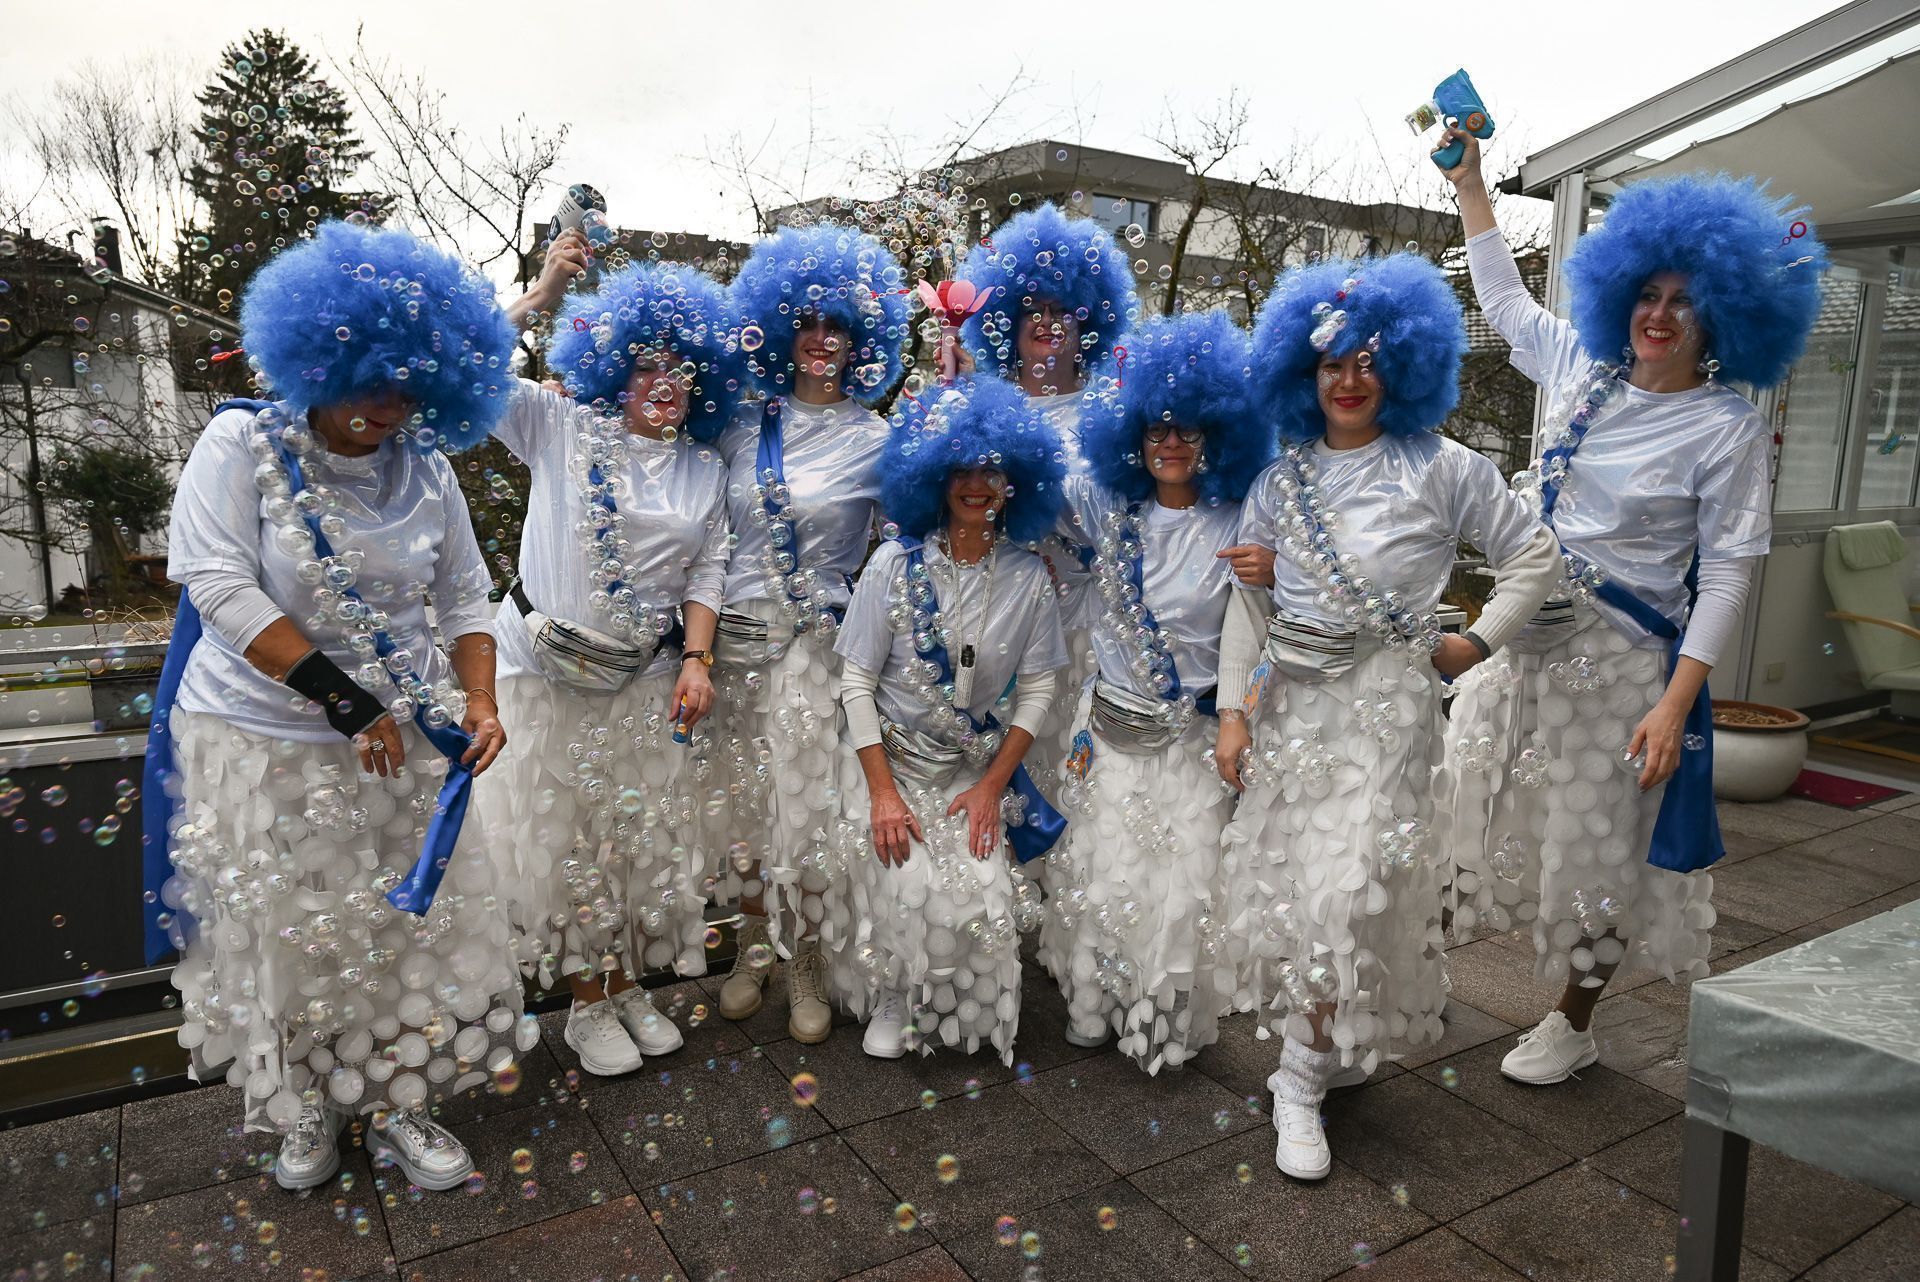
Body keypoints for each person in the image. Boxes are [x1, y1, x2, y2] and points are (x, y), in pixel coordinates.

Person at [1435, 133, 1827, 1085]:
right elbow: (1501, 303)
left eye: (1685, 300)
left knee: (1596, 844)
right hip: (1520, 643)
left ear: (1725, 314)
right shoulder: (1579, 365)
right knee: (1466, 805)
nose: (1661, 314)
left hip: (1617, 667)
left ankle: (1573, 1023)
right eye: (1648, 294)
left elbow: (1730, 574)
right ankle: (1426, 961)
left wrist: (1675, 701)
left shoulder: (1727, 426)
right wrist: (1472, 187)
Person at [142, 221, 524, 1193]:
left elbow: (466, 597)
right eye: (368, 380)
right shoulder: (241, 442)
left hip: (399, 744)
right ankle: (307, 1097)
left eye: (406, 386)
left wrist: (479, 698)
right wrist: (346, 702)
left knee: (404, 927)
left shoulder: (426, 467)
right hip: (267, 740)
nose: (384, 407)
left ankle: (401, 1096)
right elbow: (217, 586)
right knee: (291, 928)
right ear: (320, 354)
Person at [1213, 252, 1562, 1180]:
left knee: (1354, 882)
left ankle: (1298, 1074)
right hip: (1296, 716)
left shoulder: (1447, 468)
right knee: (1306, 889)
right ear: (1305, 373)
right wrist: (1232, 715)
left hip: (1387, 719)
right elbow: (1251, 620)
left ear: (1402, 365)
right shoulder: (1278, 482)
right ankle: (1315, 1052)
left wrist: (1476, 643)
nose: (1350, 378)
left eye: (1368, 359)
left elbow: (1534, 559)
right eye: (1331, 362)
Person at [475, 235, 744, 1076]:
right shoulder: (559, 425)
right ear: (612, 368)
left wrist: (697, 658)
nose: (663, 381)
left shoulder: (704, 467)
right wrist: (545, 288)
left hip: (644, 682)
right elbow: (463, 365)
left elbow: (709, 567)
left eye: (680, 367)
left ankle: (627, 983)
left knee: (635, 842)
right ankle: (585, 1002)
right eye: (645, 364)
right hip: (547, 678)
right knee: (568, 844)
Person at [1037, 309, 1273, 1071]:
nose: (1171, 443)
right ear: (1132, 436)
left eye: (1189, 428)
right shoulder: (1109, 504)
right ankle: (1094, 1000)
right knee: (1104, 867)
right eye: (1156, 428)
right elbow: (1028, 474)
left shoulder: (1242, 516)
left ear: (1217, 435)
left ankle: (1161, 1012)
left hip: (1197, 735)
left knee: (1182, 882)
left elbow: (1272, 610)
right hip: (1112, 728)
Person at [702, 223, 910, 1043]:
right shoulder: (736, 426)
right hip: (734, 649)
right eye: (809, 322)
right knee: (747, 807)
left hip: (817, 656)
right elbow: (703, 542)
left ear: (863, 341)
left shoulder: (878, 438)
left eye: (841, 326)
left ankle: (812, 956)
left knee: (813, 809)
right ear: (782, 329)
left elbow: (906, 550)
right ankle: (756, 941)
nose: (823, 339)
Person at [825, 375, 1069, 1062]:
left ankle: (944, 994)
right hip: (891, 768)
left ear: (1014, 482)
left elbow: (1042, 687)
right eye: (959, 467)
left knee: (984, 902)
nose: (975, 483)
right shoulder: (892, 565)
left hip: (970, 771)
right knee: (909, 883)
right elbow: (856, 680)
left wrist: (993, 785)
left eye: (991, 469)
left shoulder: (1027, 576)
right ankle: (895, 992)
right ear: (931, 475)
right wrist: (881, 794)